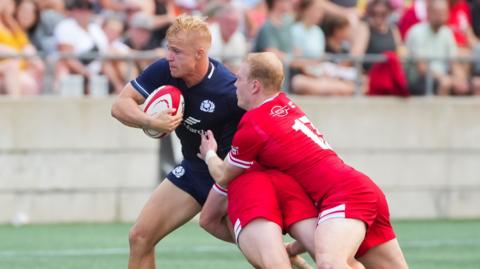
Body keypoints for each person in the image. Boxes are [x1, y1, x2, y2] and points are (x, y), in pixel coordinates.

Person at [111, 15, 309, 269]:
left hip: (230, 178)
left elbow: (265, 129)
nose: (169, 56)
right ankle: (281, 254)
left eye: (176, 51)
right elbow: (119, 105)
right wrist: (149, 122)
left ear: (199, 53)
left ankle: (284, 255)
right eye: (169, 49)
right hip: (194, 169)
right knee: (139, 236)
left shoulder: (228, 90)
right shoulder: (165, 70)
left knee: (263, 258)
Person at [199, 52, 409, 269]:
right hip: (362, 189)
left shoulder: (254, 123)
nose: (235, 83)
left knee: (330, 263)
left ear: (254, 86)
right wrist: (290, 250)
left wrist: (209, 154)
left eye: (239, 78)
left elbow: (223, 174)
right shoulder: (285, 103)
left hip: (342, 196)